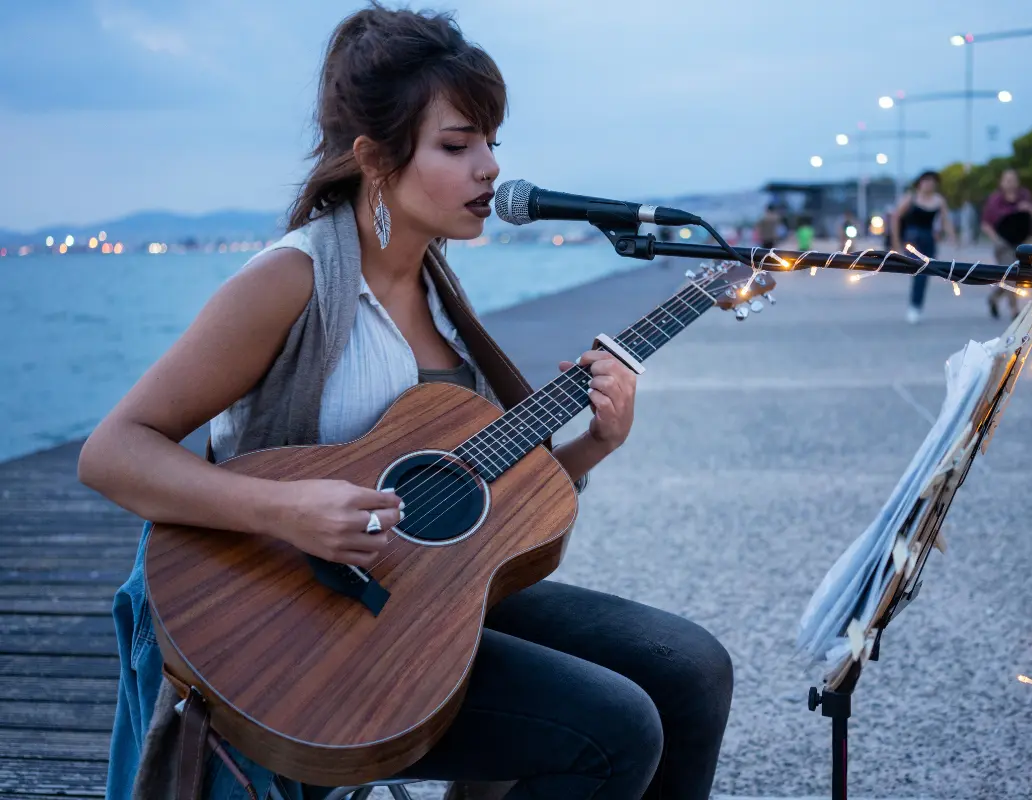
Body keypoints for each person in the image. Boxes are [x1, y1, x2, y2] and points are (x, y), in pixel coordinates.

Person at [82, 7, 733, 800]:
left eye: (492, 142)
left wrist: (595, 441)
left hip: (425, 596)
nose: (489, 169)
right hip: (306, 629)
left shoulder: (437, 289)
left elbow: (475, 497)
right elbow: (112, 451)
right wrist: (282, 510)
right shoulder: (292, 282)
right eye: (458, 146)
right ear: (374, 160)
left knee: (694, 671)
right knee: (616, 728)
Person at [890, 170, 957, 324]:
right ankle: (914, 307)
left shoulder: (938, 200)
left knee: (925, 273)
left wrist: (952, 236)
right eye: (926, 180)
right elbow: (896, 217)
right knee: (918, 271)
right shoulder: (911, 198)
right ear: (920, 182)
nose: (929, 184)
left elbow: (946, 220)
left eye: (932, 181)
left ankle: (916, 306)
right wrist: (895, 241)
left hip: (929, 239)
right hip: (913, 239)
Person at [981, 168, 1032, 319]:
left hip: (1022, 243)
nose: (1010, 183)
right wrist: (997, 240)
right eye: (1007, 180)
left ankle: (994, 297)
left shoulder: (1024, 197)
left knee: (1018, 275)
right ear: (1001, 182)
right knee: (1011, 274)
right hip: (1003, 244)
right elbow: (986, 223)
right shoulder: (995, 200)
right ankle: (1014, 309)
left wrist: (1029, 209)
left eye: (1013, 179)